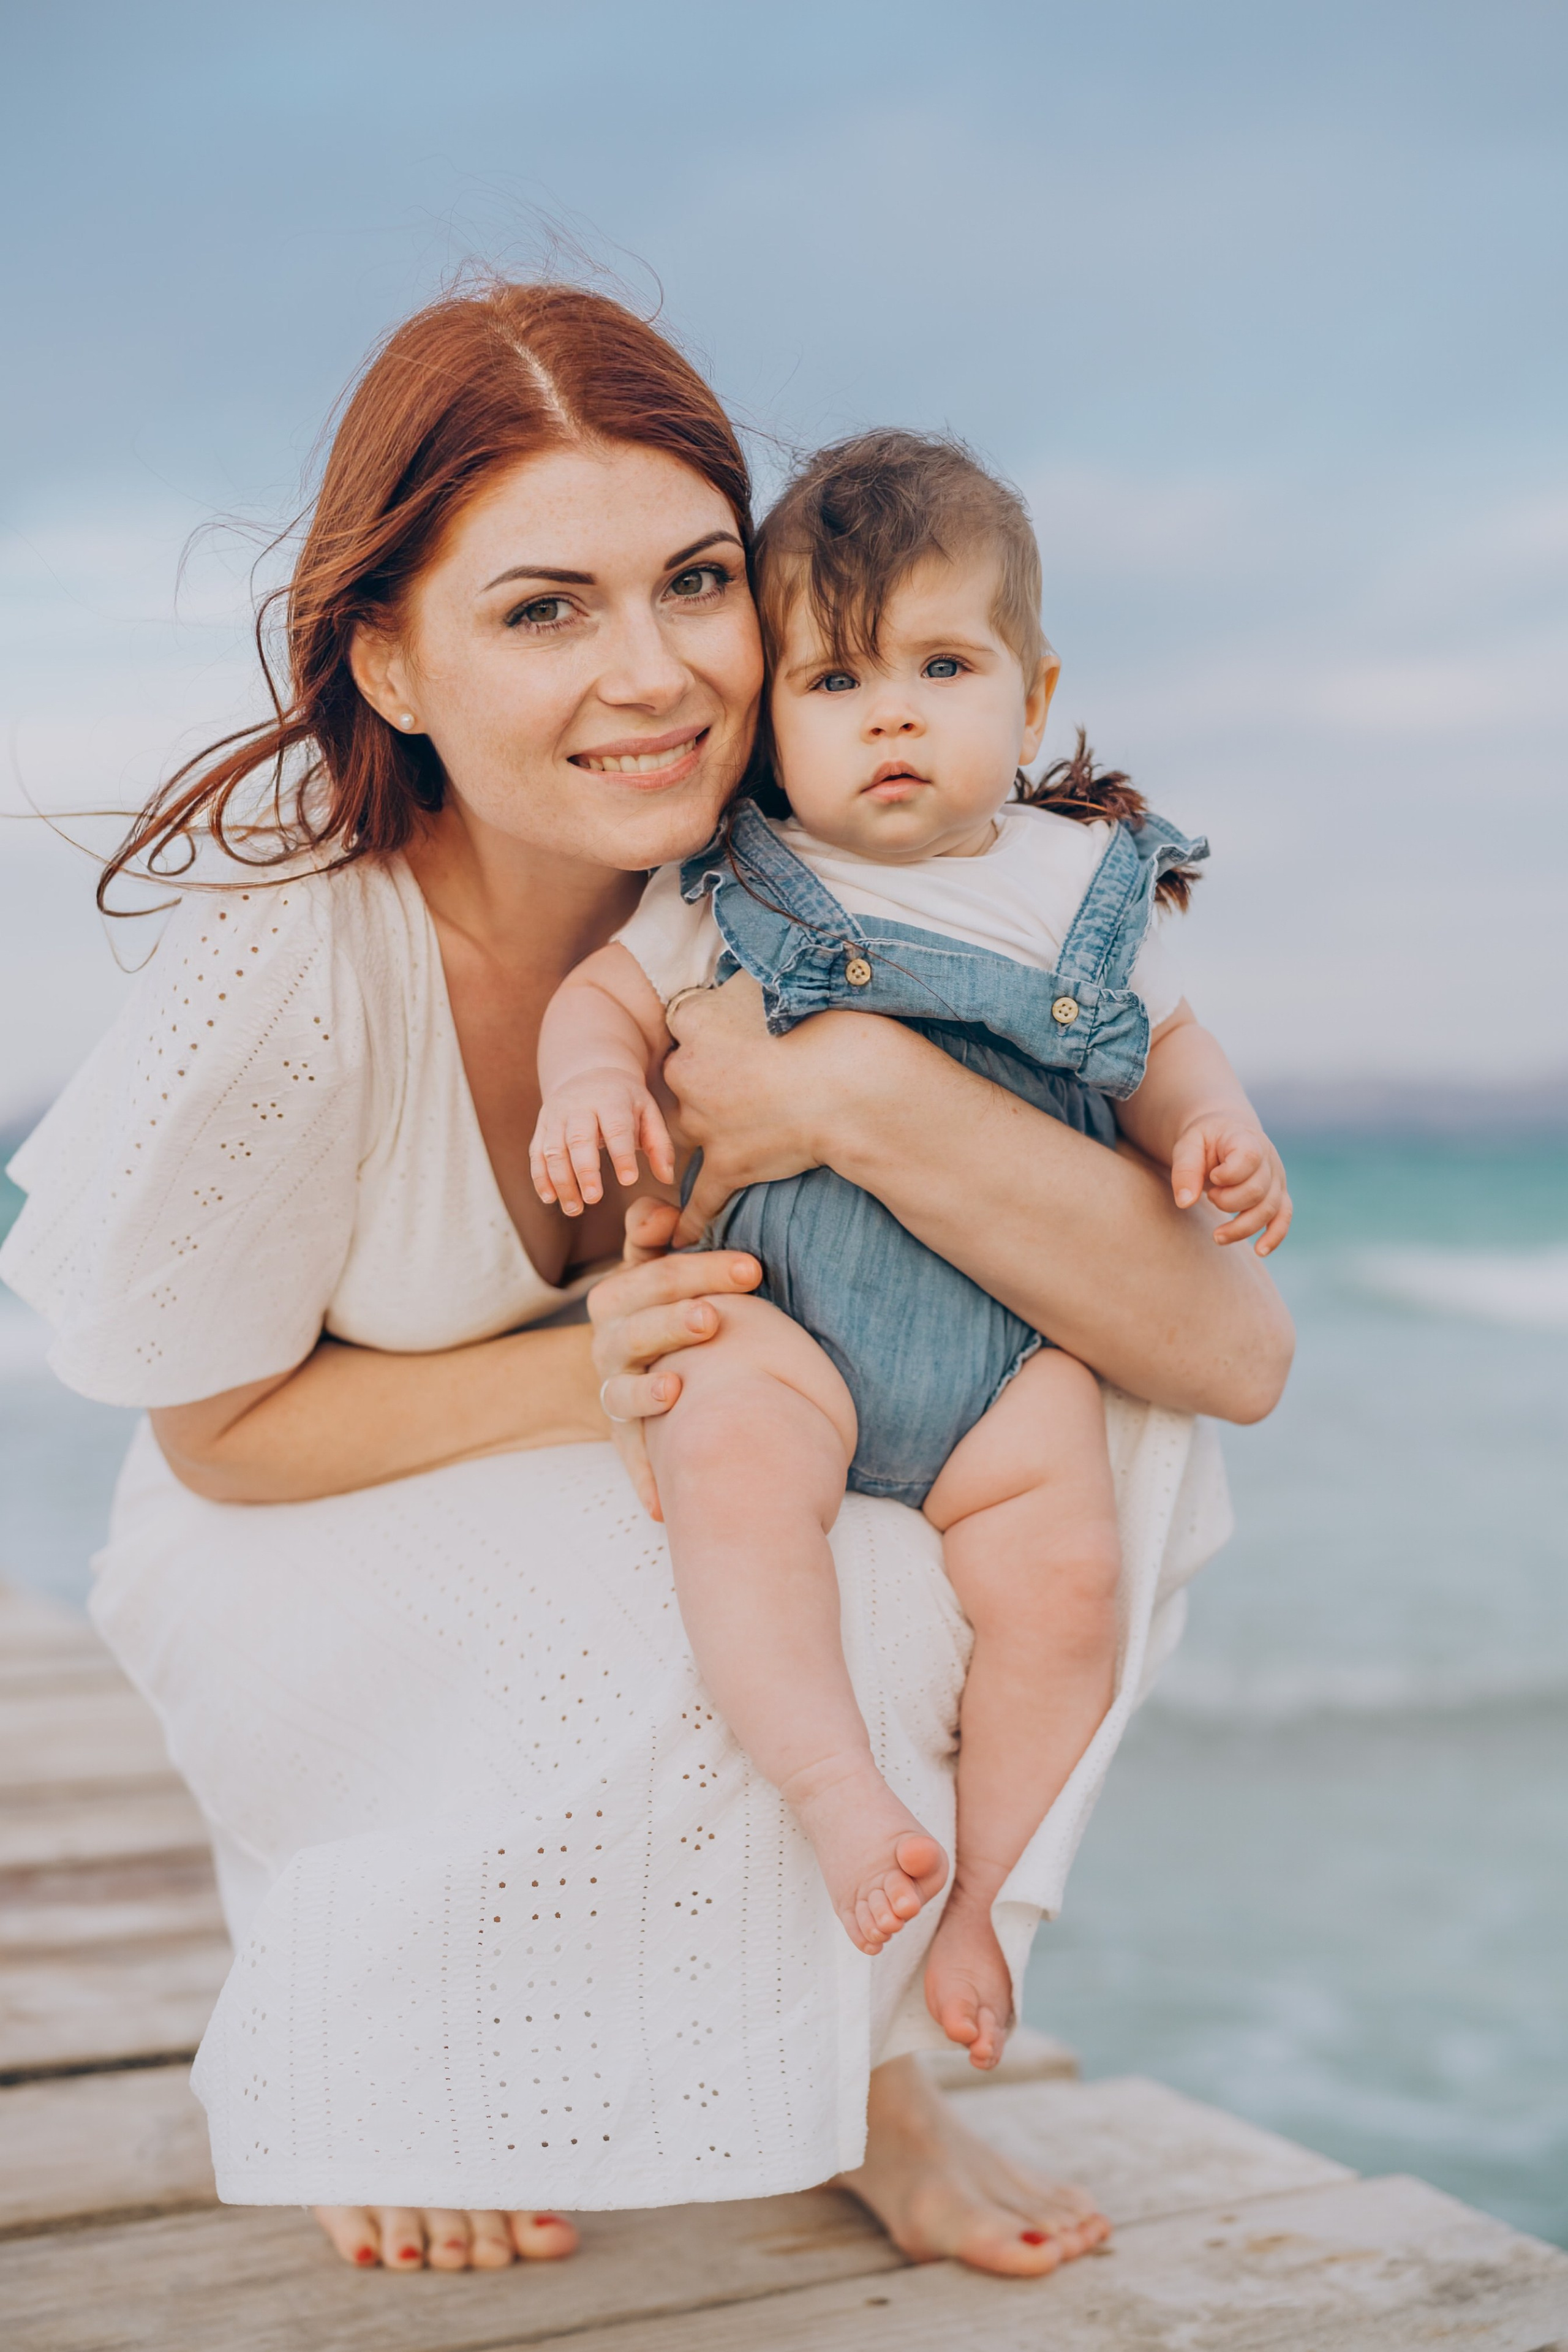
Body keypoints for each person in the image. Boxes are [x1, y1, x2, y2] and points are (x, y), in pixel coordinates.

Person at [0, 281, 1291, 2277]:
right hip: (311, 1506)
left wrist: (855, 1089)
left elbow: (1226, 1355)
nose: (654, 673)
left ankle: (860, 2074)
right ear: (394, 664)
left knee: (1037, 1496)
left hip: (690, 1421)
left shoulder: (826, 874)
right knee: (683, 1591)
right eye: (542, 610)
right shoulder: (299, 969)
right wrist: (592, 1370)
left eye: (697, 579)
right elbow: (221, 1439)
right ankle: (395, 2040)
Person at [530, 429, 1292, 2074]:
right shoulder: (732, 877)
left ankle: (985, 1906)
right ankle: (837, 1794)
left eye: (943, 666)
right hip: (782, 1316)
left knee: (1069, 1581)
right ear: (766, 720)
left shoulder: (1081, 880)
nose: (891, 716)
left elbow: (1166, 1047)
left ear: (1031, 698)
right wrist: (590, 1080)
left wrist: (1215, 1134)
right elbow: (603, 998)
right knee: (727, 1455)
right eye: (835, 679)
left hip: (1008, 1359)